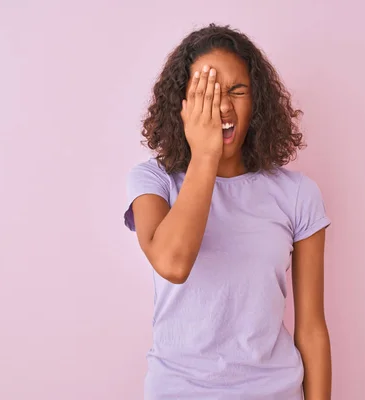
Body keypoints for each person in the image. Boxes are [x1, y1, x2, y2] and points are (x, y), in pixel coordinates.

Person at [123, 23, 332, 400]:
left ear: (257, 101)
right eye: (206, 94)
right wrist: (206, 154)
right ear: (182, 106)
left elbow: (312, 328)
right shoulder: (154, 182)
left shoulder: (297, 193)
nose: (222, 106)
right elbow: (173, 262)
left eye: (236, 91)